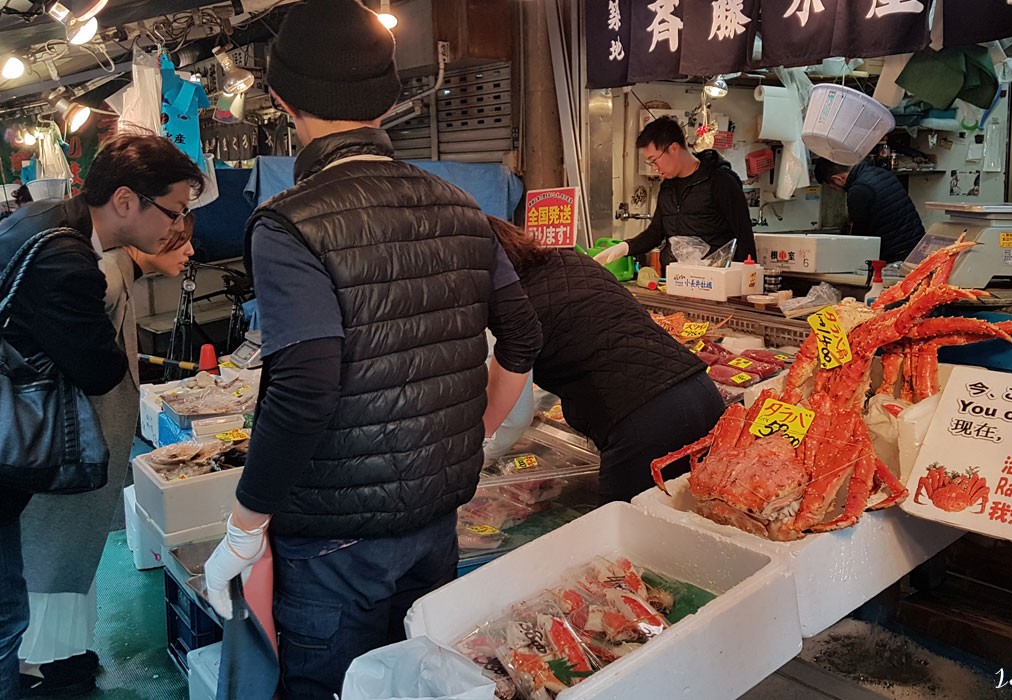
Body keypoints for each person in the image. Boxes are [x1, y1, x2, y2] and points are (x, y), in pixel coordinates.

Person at [201, 2, 539, 697]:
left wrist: (243, 524)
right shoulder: (460, 205)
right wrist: (468, 434)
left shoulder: (288, 221)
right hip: (436, 520)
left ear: (282, 99)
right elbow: (524, 336)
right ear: (388, 100)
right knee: (415, 683)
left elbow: (305, 384)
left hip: (332, 540)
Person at [0, 132, 204, 698]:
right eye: (173, 212)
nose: (177, 228)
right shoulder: (71, 263)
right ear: (125, 200)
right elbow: (98, 369)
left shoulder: (41, 218)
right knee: (11, 611)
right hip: (16, 441)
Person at [488, 216, 727, 502]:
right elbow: (581, 343)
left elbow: (513, 418)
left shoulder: (509, 303)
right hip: (702, 394)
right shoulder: (571, 261)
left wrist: (470, 463)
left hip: (644, 422)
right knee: (693, 514)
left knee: (632, 526)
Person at [594, 116, 756, 267]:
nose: (655, 168)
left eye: (654, 160)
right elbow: (656, 232)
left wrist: (749, 279)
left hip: (715, 278)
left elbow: (744, 234)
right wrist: (626, 247)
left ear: (673, 148)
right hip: (677, 276)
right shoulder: (667, 187)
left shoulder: (720, 180)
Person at [812, 158, 926, 263]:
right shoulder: (880, 172)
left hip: (897, 254)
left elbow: (860, 237)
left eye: (833, 188)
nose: (837, 190)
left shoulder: (859, 190)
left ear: (837, 179)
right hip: (918, 246)